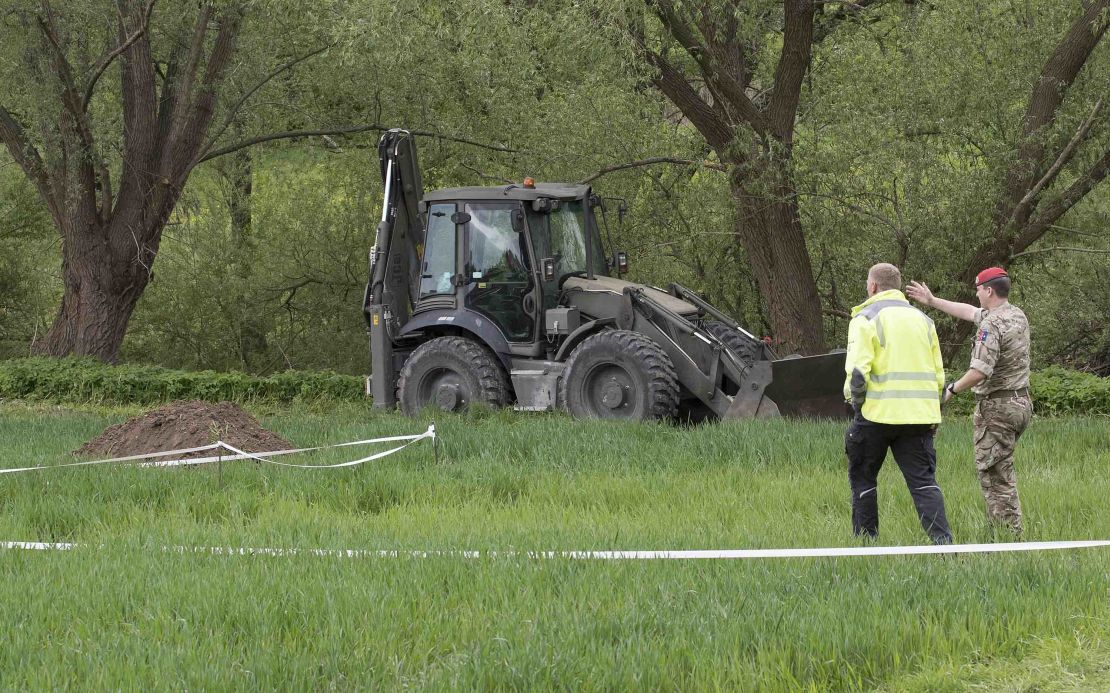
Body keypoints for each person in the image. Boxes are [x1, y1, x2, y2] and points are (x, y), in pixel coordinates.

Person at [907, 267, 1031, 535]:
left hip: (997, 408)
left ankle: (1007, 537)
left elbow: (980, 371)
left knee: (995, 476)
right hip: (1020, 404)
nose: (975, 292)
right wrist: (932, 301)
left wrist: (952, 389)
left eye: (977, 288)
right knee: (1001, 470)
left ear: (989, 290)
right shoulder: (1015, 315)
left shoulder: (991, 325)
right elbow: (968, 311)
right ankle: (1006, 532)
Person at [844, 263, 952, 544]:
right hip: (917, 418)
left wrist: (856, 407)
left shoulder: (865, 318)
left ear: (873, 286)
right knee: (924, 483)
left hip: (876, 415)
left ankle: (867, 545)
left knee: (864, 479)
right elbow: (938, 376)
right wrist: (933, 413)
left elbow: (857, 374)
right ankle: (943, 545)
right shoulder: (924, 321)